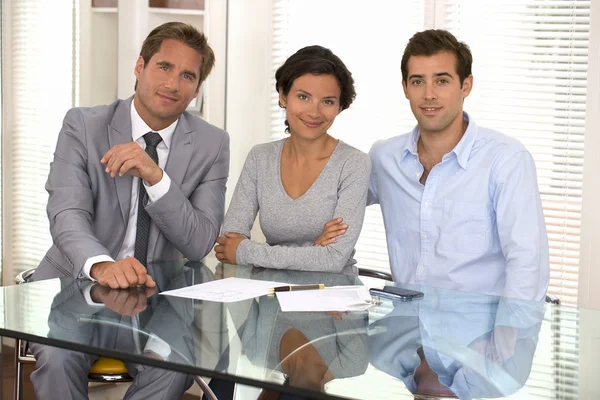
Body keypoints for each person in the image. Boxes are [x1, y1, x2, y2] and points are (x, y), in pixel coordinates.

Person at [29, 22, 229, 399]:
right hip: (76, 288)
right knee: (58, 359)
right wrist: (103, 265)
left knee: (172, 370)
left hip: (157, 303)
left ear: (197, 89)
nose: (173, 84)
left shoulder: (212, 144)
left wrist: (156, 177)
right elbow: (66, 213)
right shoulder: (83, 126)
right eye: (164, 67)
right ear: (139, 67)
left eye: (187, 75)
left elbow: (199, 240)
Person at [368, 29, 549, 301]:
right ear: (405, 88)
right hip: (404, 331)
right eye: (418, 82)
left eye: (441, 81)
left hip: (477, 338)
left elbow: (528, 266)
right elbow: (333, 206)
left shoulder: (506, 160)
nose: (429, 95)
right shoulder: (384, 158)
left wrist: (504, 342)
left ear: (466, 85)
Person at [214, 45, 370, 275]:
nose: (314, 112)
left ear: (340, 107)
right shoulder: (260, 158)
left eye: (327, 101)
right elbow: (228, 243)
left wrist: (246, 251)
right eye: (303, 97)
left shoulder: (353, 163)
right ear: (283, 95)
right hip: (272, 300)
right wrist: (312, 250)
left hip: (332, 301)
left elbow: (334, 259)